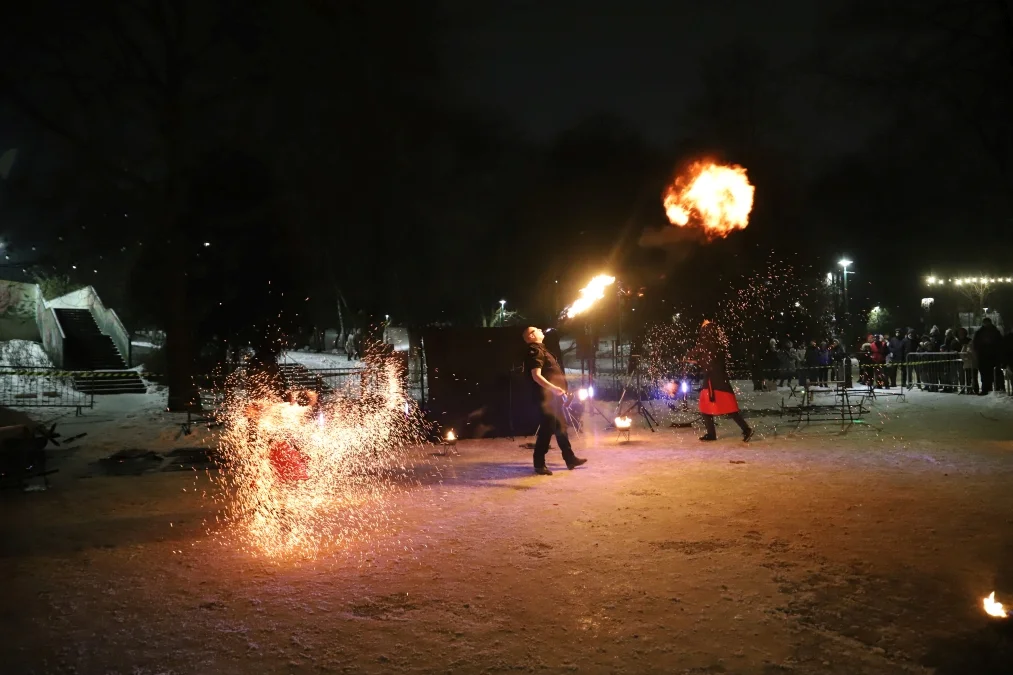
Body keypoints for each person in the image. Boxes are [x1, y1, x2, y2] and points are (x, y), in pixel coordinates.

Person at [523, 326, 587, 475]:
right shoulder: (535, 351)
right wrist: (553, 388)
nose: (540, 330)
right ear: (531, 336)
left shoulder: (542, 349)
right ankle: (539, 464)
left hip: (553, 398)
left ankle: (570, 458)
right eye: (536, 329)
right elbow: (536, 375)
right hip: (546, 398)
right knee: (547, 429)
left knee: (561, 427)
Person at [690, 320, 753, 442]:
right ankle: (745, 429)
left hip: (712, 382)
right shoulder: (718, 343)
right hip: (720, 381)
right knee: (729, 409)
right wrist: (699, 361)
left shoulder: (705, 344)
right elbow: (711, 360)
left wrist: (692, 359)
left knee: (705, 407)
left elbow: (697, 357)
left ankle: (712, 434)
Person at [973, 317, 1003, 395]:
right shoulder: (994, 331)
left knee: (991, 374)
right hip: (986, 356)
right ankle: (989, 389)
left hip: (989, 356)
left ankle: (993, 389)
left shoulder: (990, 332)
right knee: (986, 374)